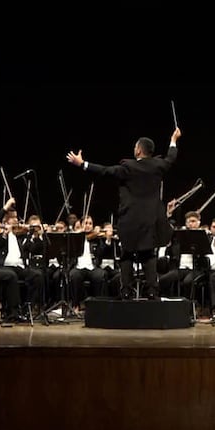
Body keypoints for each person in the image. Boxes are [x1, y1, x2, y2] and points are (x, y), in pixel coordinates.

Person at [66, 127, 181, 300]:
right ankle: (152, 291)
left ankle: (126, 290)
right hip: (151, 220)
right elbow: (171, 158)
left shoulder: (128, 167)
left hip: (130, 219)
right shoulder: (158, 165)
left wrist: (83, 164)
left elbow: (105, 171)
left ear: (139, 149)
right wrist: (174, 140)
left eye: (135, 146)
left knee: (127, 254)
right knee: (148, 254)